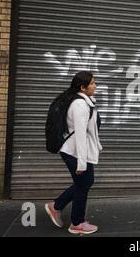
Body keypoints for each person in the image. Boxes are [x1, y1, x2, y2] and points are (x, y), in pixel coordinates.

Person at [45, 71, 102, 235]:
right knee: (84, 184)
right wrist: (81, 163)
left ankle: (56, 206)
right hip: (74, 152)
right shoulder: (80, 105)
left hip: (77, 151)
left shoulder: (86, 101)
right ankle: (76, 223)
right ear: (82, 87)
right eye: (92, 83)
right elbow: (80, 135)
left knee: (84, 183)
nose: (95, 86)